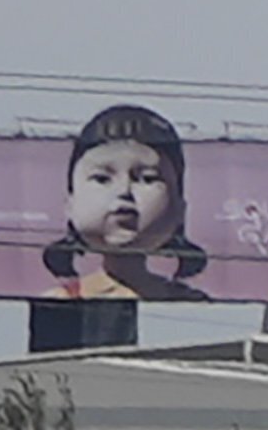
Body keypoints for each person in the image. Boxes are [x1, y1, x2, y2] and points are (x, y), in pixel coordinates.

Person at [39, 105, 208, 301]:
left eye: (147, 178)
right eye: (102, 179)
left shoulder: (190, 304)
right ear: (70, 203)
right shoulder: (60, 301)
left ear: (180, 208)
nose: (124, 191)